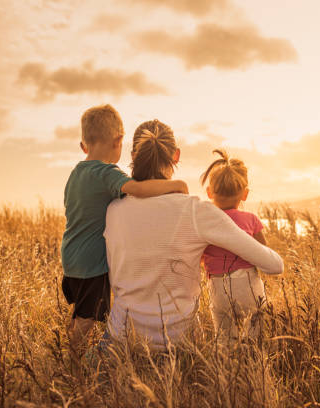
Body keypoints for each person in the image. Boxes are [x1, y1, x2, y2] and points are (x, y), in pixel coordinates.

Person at [104, 119, 284, 350]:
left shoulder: (113, 211)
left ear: (133, 155)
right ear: (176, 156)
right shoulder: (196, 210)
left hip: (121, 341)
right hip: (178, 345)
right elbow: (274, 265)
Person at [61, 105, 188, 361]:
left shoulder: (76, 173)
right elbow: (137, 189)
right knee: (87, 317)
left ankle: (67, 347)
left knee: (79, 313)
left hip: (70, 258)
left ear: (83, 145)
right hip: (91, 265)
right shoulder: (106, 173)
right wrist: (175, 185)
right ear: (119, 142)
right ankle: (71, 359)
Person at [200, 149, 269, 340]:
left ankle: (225, 366)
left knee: (224, 340)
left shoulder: (205, 223)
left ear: (209, 192)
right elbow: (265, 254)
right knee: (255, 339)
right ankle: (256, 366)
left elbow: (197, 255)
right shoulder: (251, 220)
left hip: (218, 287)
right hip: (248, 287)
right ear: (244, 194)